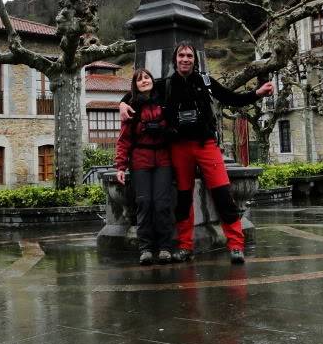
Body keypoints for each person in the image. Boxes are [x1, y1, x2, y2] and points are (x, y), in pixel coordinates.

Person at [120, 42, 273, 264]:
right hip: (179, 148)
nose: (185, 59)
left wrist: (257, 94)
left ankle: (236, 245)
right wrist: (121, 105)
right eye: (181, 55)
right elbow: (137, 93)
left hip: (206, 145)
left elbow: (231, 98)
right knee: (183, 199)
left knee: (223, 194)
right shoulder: (166, 84)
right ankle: (185, 246)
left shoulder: (206, 81)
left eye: (189, 55)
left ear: (195, 59)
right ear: (175, 60)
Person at [115, 68, 174, 266]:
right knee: (144, 203)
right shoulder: (131, 107)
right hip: (140, 161)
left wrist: (165, 131)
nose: (144, 81)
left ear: (152, 80)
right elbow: (123, 140)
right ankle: (146, 249)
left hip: (164, 160)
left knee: (162, 203)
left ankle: (165, 247)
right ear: (135, 85)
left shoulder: (164, 102)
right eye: (139, 79)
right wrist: (121, 167)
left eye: (147, 77)